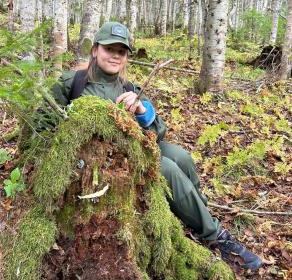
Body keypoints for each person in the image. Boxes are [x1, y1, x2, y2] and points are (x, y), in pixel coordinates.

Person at [51, 22, 263, 271]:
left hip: (132, 150)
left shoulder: (129, 88)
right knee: (166, 168)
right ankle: (215, 236)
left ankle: (196, 212)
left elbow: (158, 132)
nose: (116, 56)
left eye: (122, 51)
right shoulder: (71, 83)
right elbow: (43, 126)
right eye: (110, 49)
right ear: (96, 50)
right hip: (98, 162)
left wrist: (141, 110)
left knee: (181, 157)